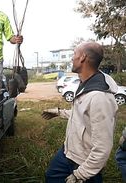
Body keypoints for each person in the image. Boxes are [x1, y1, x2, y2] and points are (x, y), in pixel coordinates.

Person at [42, 42, 118, 183]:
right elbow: (82, 115)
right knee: (50, 177)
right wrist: (59, 113)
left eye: (74, 54)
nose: (72, 58)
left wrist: (81, 174)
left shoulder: (99, 97)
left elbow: (103, 148)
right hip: (68, 152)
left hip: (84, 162)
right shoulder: (86, 83)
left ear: (83, 57)